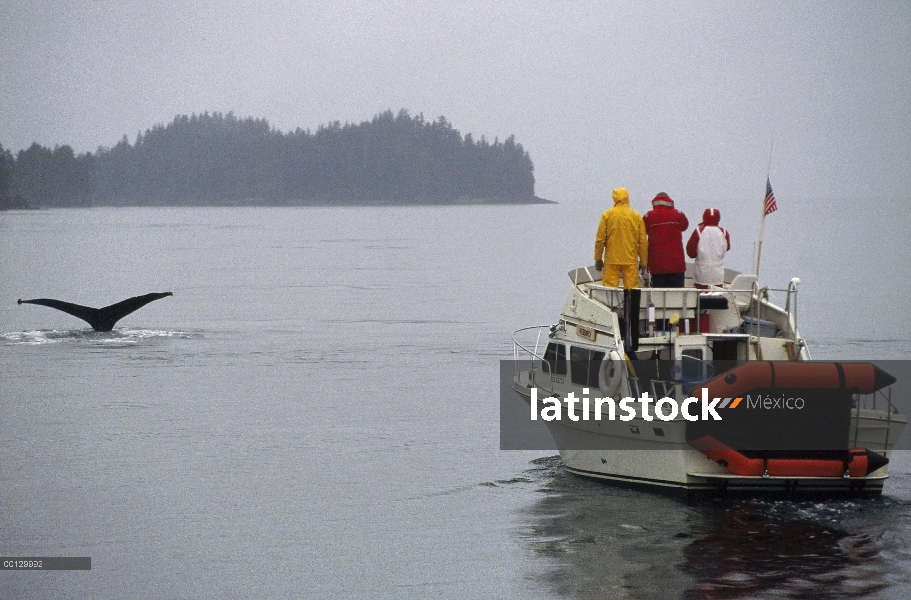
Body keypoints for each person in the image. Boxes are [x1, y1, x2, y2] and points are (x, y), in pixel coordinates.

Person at [594, 187, 648, 289]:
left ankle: (610, 305)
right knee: (632, 291)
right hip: (630, 260)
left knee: (609, 290)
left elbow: (600, 240)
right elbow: (642, 242)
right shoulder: (636, 216)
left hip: (611, 260)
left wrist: (598, 259)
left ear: (614, 198)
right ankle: (631, 305)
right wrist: (643, 262)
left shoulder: (607, 215)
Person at [643, 192, 689, 287]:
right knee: (677, 296)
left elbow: (643, 230)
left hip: (657, 263)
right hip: (676, 263)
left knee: (658, 296)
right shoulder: (678, 214)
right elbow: (685, 226)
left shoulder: (648, 216)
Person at [686, 208, 730, 288]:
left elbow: (691, 252)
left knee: (701, 298)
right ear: (718, 218)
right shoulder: (724, 232)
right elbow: (727, 247)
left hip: (702, 274)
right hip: (718, 273)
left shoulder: (698, 231)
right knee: (717, 297)